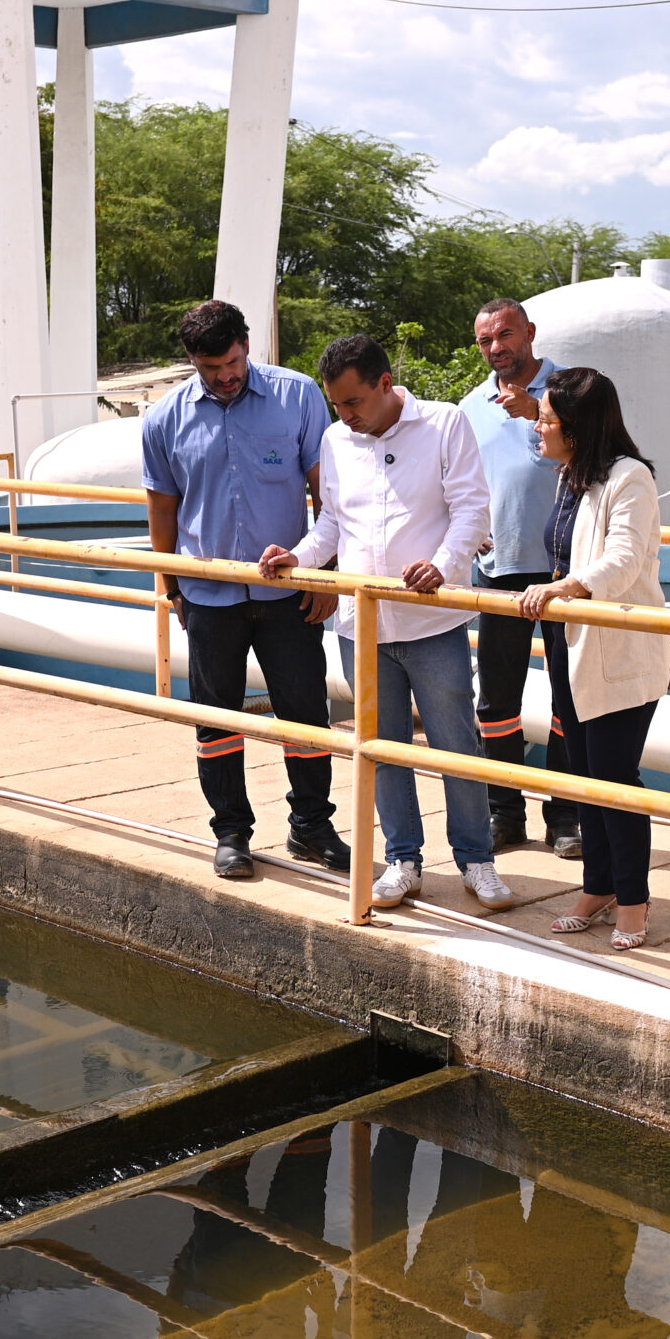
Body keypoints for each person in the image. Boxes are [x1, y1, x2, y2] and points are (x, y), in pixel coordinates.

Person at [257, 332, 515, 910]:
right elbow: (332, 527)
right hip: (360, 625)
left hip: (431, 622)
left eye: (354, 403)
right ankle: (403, 859)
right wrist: (299, 556)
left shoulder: (444, 424)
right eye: (337, 405)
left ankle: (477, 859)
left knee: (454, 745)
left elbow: (473, 508)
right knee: (380, 746)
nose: (346, 417)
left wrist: (444, 566)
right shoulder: (335, 438)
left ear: (385, 384)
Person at [142, 299, 349, 882]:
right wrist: (170, 583)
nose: (225, 376)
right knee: (216, 718)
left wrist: (326, 573)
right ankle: (231, 832)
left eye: (232, 362)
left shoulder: (298, 395)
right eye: (210, 368)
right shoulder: (164, 419)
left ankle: (311, 826)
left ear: (246, 345)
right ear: (191, 361)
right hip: (208, 596)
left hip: (290, 594)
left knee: (306, 714)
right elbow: (163, 503)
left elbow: (326, 495)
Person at [514, 367, 669, 951]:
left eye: (547, 420)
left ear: (576, 427)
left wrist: (566, 587)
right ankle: (598, 885)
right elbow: (561, 549)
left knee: (614, 778)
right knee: (582, 772)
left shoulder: (631, 479)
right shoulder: (571, 476)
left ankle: (633, 899)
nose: (539, 429)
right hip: (570, 643)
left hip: (617, 648)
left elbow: (625, 559)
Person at [460, 298, 579, 859]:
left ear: (529, 332)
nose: (496, 348)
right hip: (498, 570)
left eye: (505, 335)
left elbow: (597, 456)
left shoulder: (574, 392)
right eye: (486, 340)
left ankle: (565, 818)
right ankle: (503, 814)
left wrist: (536, 411)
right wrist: (466, 528)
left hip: (564, 572)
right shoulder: (470, 406)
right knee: (497, 701)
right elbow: (458, 482)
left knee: (569, 700)